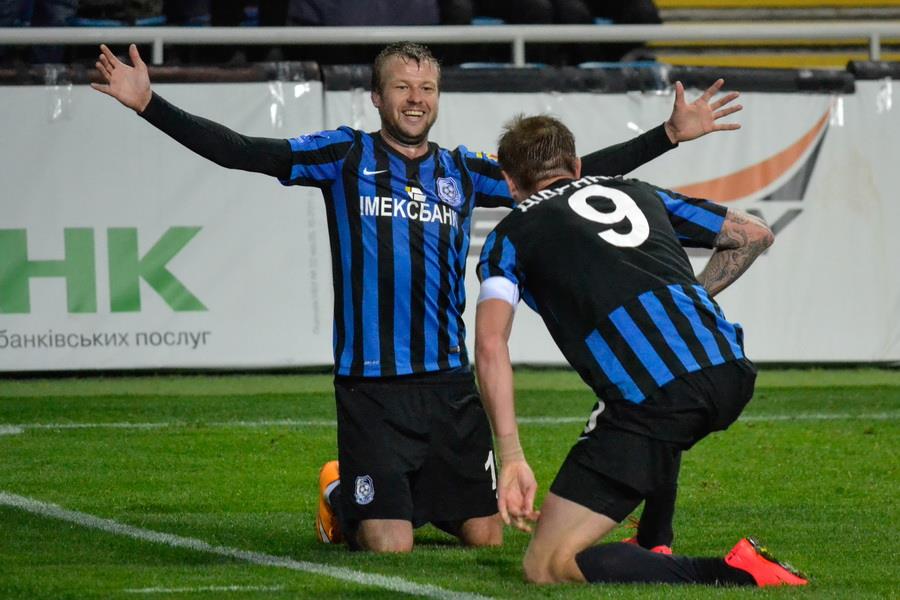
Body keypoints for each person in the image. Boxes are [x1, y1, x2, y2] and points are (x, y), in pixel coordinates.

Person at [91, 40, 742, 553]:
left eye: (426, 88)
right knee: (390, 546)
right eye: (402, 87)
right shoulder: (343, 156)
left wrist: (666, 135)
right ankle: (342, 495)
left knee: (485, 535)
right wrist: (151, 104)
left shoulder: (463, 170)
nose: (415, 99)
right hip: (372, 389)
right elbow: (243, 152)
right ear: (377, 96)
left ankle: (410, 496)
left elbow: (564, 180)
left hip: (451, 388)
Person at [474, 114, 808, 586]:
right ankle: (654, 539)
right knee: (643, 401)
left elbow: (490, 343)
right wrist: (689, 301)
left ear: (510, 182)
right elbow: (753, 234)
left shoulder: (509, 236)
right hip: (728, 368)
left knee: (546, 565)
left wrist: (511, 456)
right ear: (575, 165)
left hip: (658, 394)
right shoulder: (636, 191)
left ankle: (734, 572)